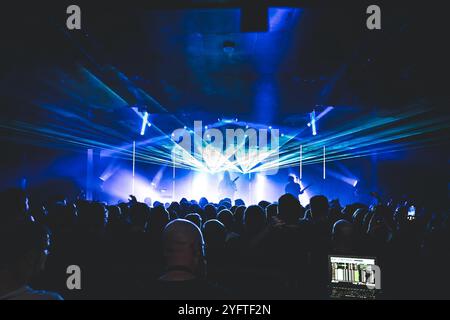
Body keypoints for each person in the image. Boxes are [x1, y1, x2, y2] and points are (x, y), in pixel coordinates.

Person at [145, 219, 227, 299]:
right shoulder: (216, 295)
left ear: (164, 249)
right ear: (197, 249)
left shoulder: (142, 293)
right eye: (202, 246)